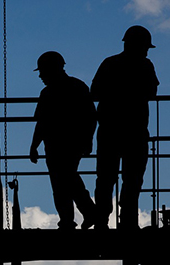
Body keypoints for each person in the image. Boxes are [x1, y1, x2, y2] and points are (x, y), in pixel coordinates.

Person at [91, 25, 159, 230]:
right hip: (135, 131)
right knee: (133, 178)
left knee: (105, 178)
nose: (147, 50)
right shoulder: (145, 66)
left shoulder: (110, 63)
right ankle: (128, 220)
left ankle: (101, 220)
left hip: (110, 130)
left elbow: (94, 93)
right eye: (145, 46)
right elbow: (151, 93)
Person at [30, 51, 98, 230]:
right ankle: (82, 215)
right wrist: (88, 140)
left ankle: (74, 218)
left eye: (43, 71)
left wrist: (34, 146)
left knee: (62, 181)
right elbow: (91, 117)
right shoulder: (77, 87)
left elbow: (42, 123)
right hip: (68, 143)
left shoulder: (48, 93)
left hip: (58, 145)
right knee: (67, 179)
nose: (41, 76)